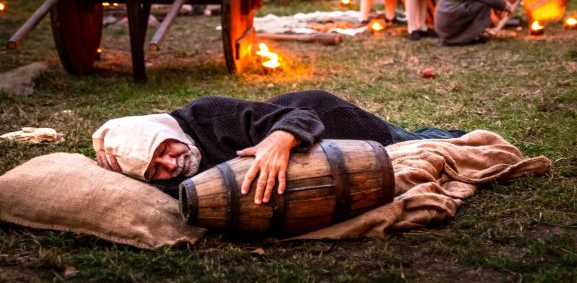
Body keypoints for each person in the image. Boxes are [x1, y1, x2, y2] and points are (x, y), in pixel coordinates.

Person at [92, 90, 464, 204]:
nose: (170, 165)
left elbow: (301, 115)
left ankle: (452, 133)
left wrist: (276, 142)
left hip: (329, 119)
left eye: (163, 151)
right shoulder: (166, 172)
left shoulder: (207, 115)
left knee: (410, 142)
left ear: (160, 132)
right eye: (154, 169)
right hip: (321, 148)